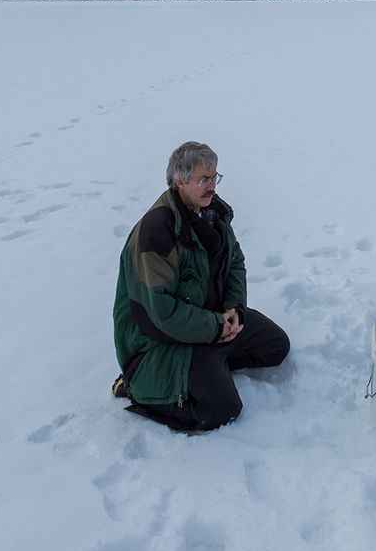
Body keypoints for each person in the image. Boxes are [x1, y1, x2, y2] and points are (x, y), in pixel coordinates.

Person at [112, 140, 289, 432]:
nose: (212, 186)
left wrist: (234, 310)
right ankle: (137, 387)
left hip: (207, 323)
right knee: (223, 409)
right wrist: (216, 327)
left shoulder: (212, 214)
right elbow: (163, 312)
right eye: (204, 179)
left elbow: (235, 262)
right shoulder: (157, 232)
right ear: (180, 181)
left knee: (275, 347)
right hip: (160, 345)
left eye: (214, 177)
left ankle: (209, 365)